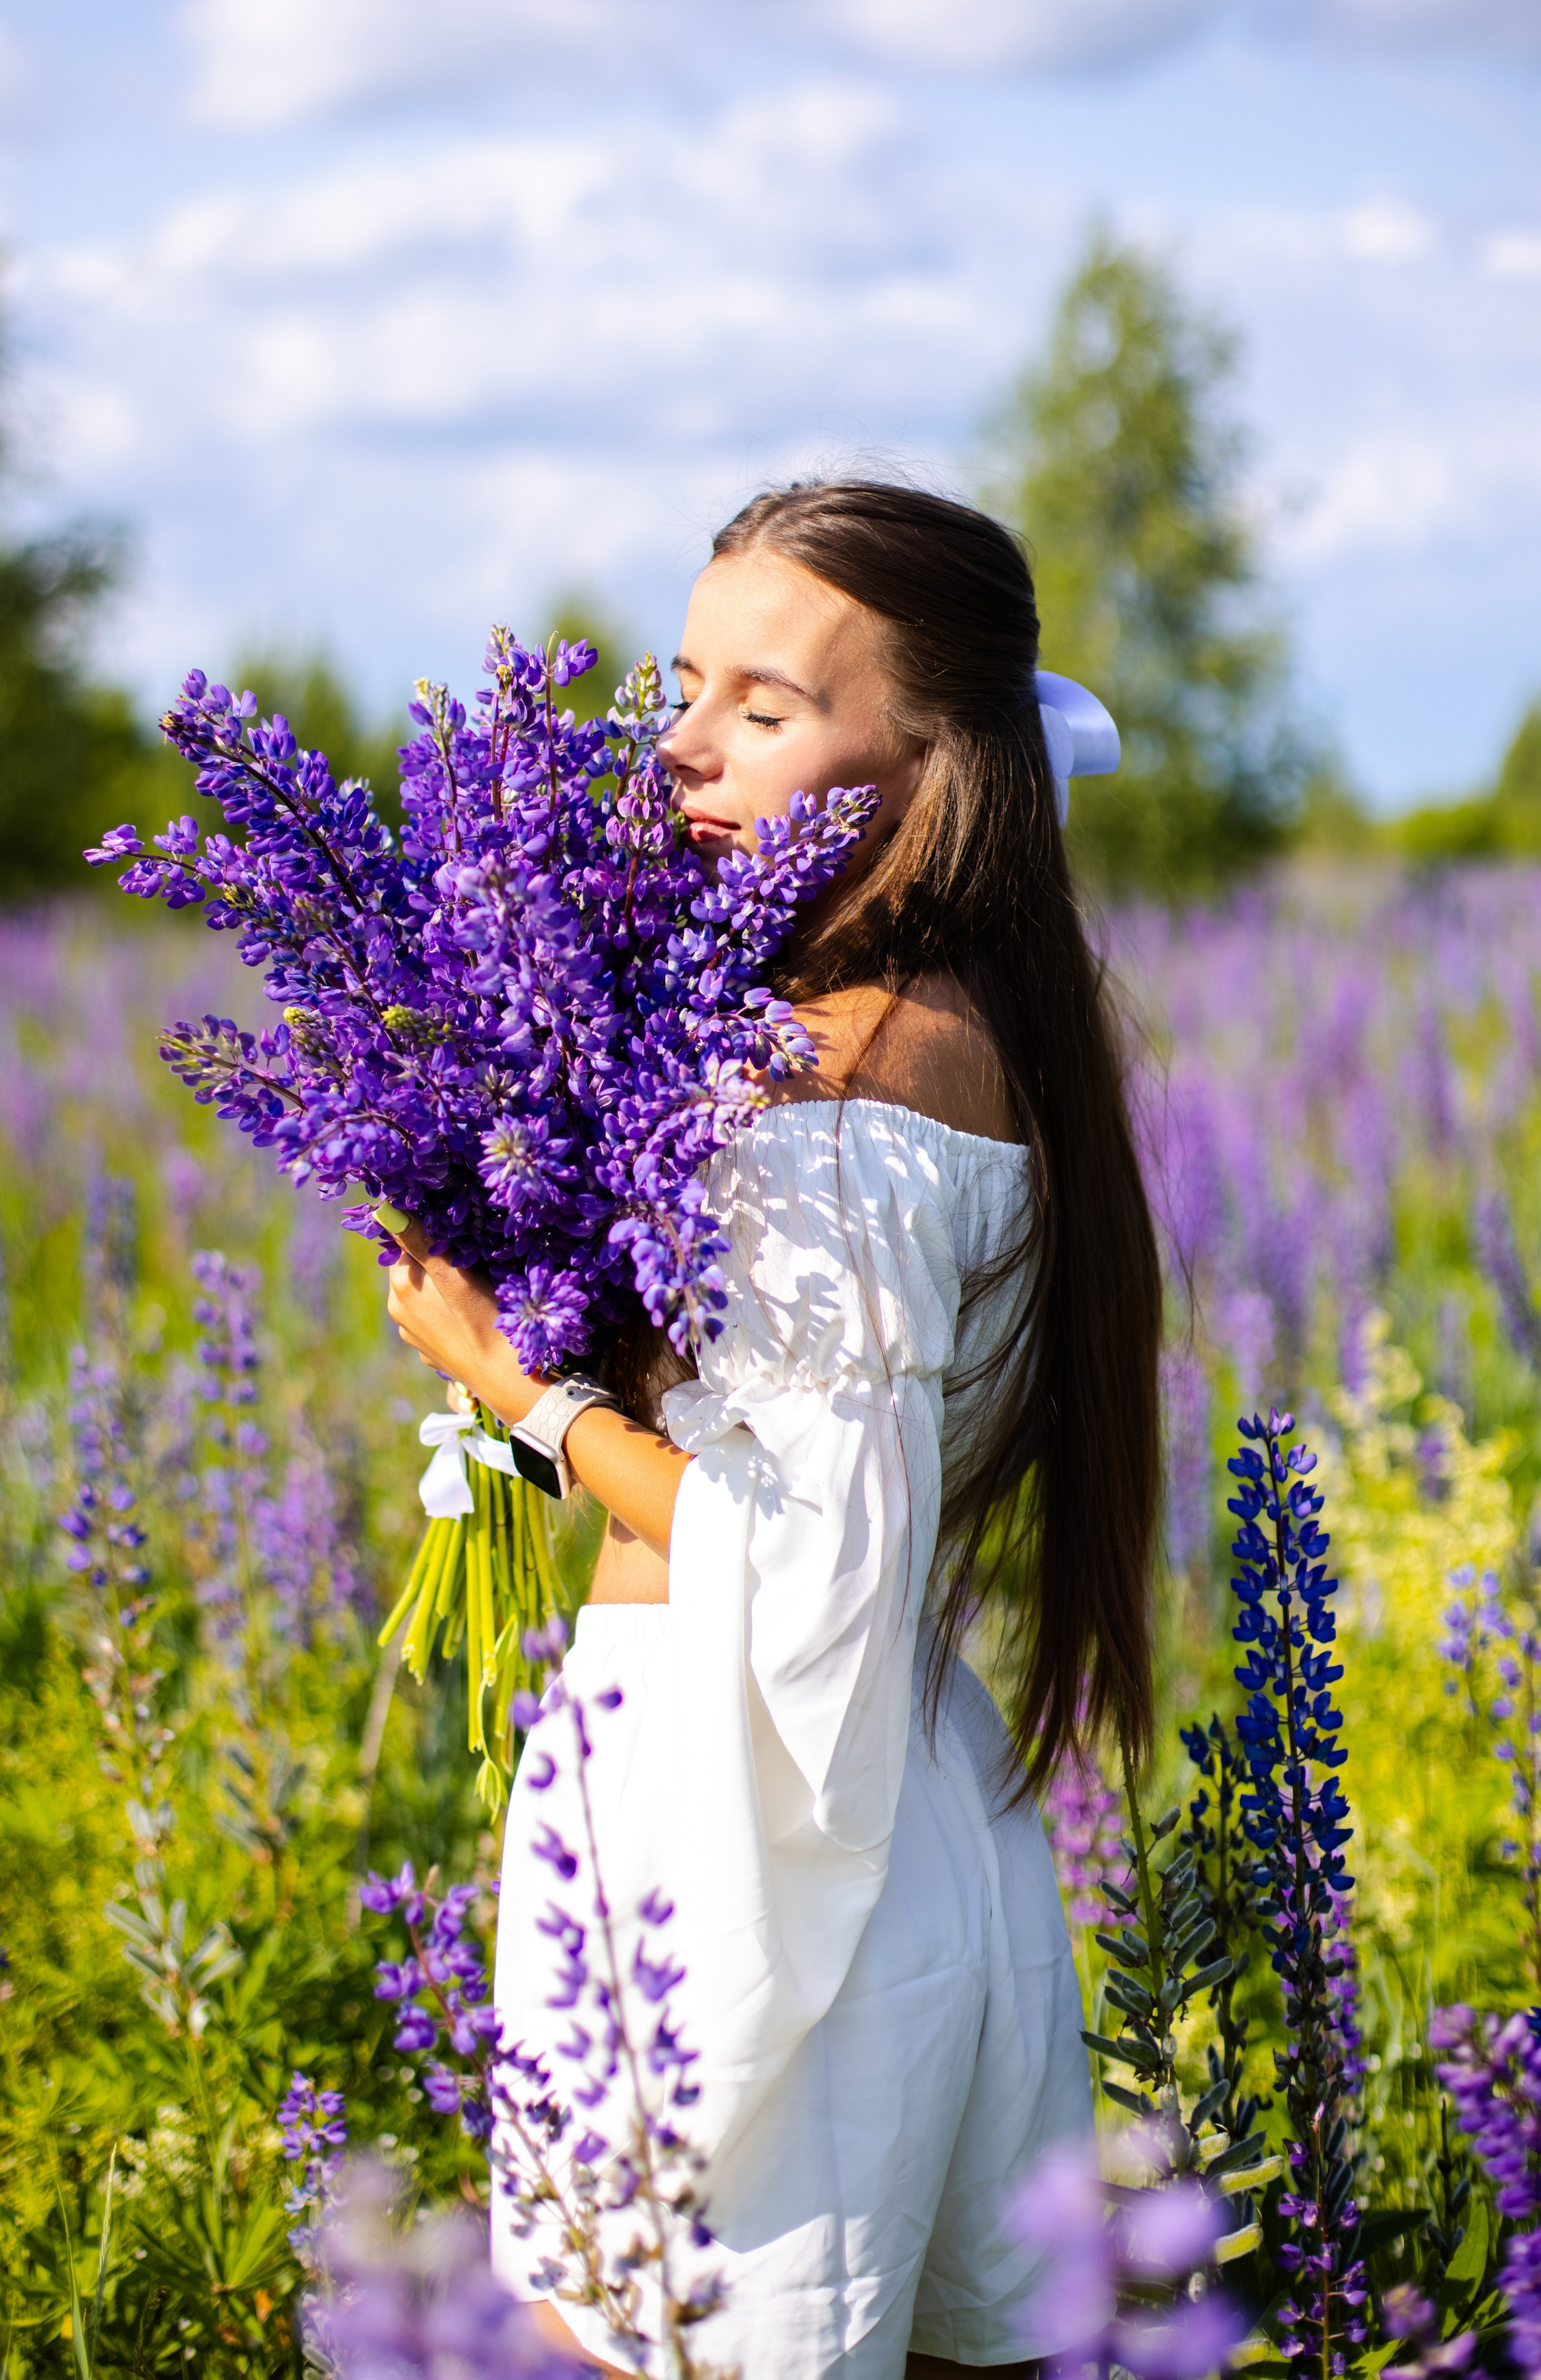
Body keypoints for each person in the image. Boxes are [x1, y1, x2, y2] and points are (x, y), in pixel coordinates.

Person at [384, 480, 1163, 2378]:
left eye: (767, 704)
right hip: (887, 1791)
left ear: (931, 757)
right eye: (683, 683)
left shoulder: (852, 1083)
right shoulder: (914, 1025)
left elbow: (799, 1554)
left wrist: (525, 1389)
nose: (680, 747)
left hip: (750, 1820)